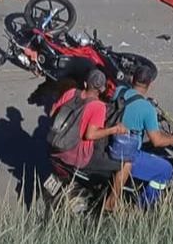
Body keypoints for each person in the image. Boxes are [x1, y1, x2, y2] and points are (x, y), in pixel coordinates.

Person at [108, 63, 173, 208]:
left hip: (110, 143)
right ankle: (144, 208)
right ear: (150, 84)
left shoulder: (120, 91)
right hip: (127, 153)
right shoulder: (147, 109)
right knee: (165, 170)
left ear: (133, 79)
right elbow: (157, 141)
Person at [49, 69, 131, 212]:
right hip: (78, 156)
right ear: (102, 89)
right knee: (126, 162)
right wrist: (114, 130)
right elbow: (91, 135)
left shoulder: (71, 93)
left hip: (56, 149)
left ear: (86, 83)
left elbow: (52, 113)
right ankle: (111, 203)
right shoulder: (98, 106)